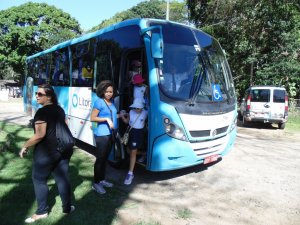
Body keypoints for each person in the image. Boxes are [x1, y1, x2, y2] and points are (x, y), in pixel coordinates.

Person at [19, 84, 74, 223]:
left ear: (48, 97)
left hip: (47, 152)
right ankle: (67, 208)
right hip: (63, 150)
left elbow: (39, 135)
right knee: (62, 178)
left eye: (40, 94)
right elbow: (65, 126)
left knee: (38, 179)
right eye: (37, 93)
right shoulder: (59, 109)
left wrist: (25, 146)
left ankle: (42, 211)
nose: (37, 96)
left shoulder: (42, 112)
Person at [90, 80, 118, 194]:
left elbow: (112, 115)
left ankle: (102, 180)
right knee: (100, 159)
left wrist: (120, 115)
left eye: (111, 91)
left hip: (111, 134)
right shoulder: (99, 102)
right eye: (106, 92)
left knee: (105, 158)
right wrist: (106, 119)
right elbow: (93, 117)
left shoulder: (112, 102)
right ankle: (96, 183)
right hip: (102, 135)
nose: (109, 94)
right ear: (102, 92)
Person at [120, 98, 148, 185]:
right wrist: (122, 117)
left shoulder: (146, 112)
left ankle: (130, 173)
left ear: (142, 107)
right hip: (130, 132)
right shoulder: (131, 112)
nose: (137, 109)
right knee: (129, 151)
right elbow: (127, 122)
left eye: (138, 107)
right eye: (135, 107)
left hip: (138, 133)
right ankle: (144, 154)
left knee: (133, 152)